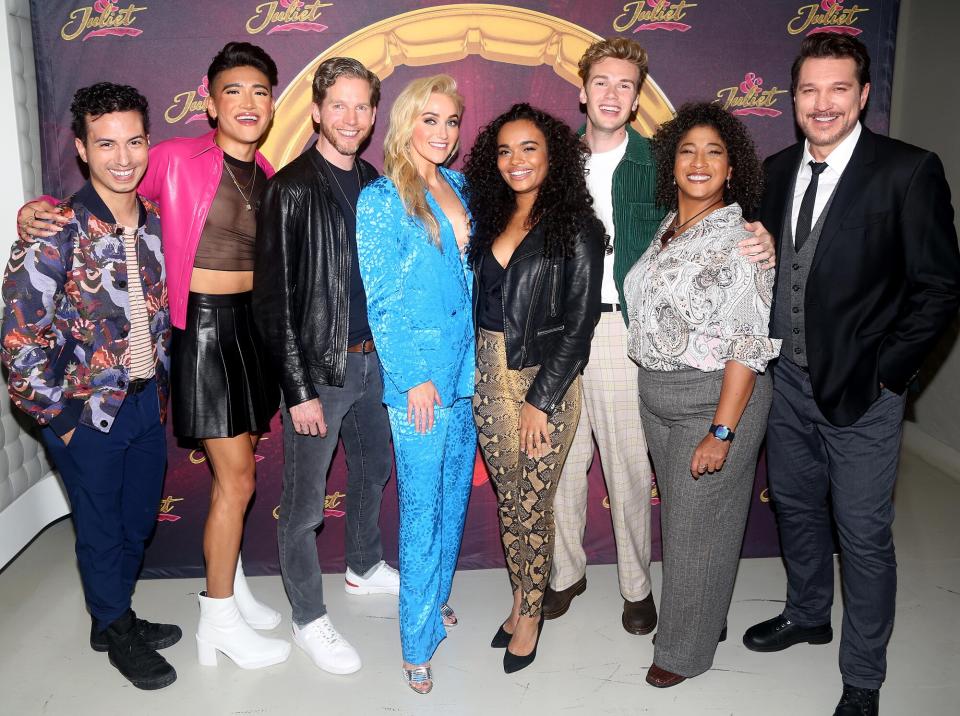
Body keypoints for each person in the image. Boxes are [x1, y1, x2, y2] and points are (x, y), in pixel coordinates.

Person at [16, 42, 290, 669]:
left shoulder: (266, 169)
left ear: (272, 102)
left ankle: (224, 589)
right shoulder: (174, 157)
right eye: (233, 91)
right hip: (197, 339)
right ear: (208, 98)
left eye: (259, 92)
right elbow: (101, 192)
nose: (247, 104)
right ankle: (206, 616)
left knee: (218, 485)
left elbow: (130, 209)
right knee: (231, 481)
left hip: (232, 341)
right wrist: (40, 210)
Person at [742, 33, 960, 716]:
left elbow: (939, 289)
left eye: (839, 88)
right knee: (799, 509)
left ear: (864, 95)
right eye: (809, 89)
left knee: (863, 537)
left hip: (864, 393)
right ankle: (807, 611)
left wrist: (891, 376)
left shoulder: (907, 170)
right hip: (788, 386)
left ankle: (863, 675)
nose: (823, 102)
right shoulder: (774, 170)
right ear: (794, 98)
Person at [546, 37, 777, 633]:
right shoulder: (551, 160)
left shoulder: (660, 161)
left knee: (628, 467)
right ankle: (564, 575)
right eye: (602, 82)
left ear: (638, 96)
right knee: (565, 465)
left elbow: (708, 219)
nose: (612, 94)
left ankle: (635, 588)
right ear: (582, 90)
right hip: (558, 330)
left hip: (624, 330)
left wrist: (763, 237)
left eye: (626, 85)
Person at [2, 83, 179, 689]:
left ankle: (113, 616)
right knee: (102, 530)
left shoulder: (155, 223)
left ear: (148, 142)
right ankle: (115, 630)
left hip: (146, 404)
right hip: (86, 414)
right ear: (82, 148)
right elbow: (20, 342)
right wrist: (62, 420)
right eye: (105, 144)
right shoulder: (52, 231)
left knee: (136, 524)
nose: (122, 157)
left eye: (133, 141)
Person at [624, 101, 780, 688]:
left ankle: (683, 653)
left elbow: (746, 342)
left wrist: (721, 431)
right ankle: (704, 617)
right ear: (671, 163)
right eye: (687, 150)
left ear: (731, 167)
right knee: (696, 527)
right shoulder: (670, 227)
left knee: (695, 533)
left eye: (714, 152)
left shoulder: (742, 239)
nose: (699, 162)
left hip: (714, 399)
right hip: (658, 395)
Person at [252, 57, 399, 676]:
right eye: (338, 105)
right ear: (315, 111)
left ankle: (363, 565)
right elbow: (272, 300)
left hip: (373, 363)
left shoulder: (373, 180)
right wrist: (300, 387)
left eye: (362, 106)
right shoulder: (290, 188)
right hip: (321, 369)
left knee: (374, 469)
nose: (351, 117)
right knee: (307, 503)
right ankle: (309, 618)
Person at [464, 103, 605, 673]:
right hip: (487, 372)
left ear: (553, 156)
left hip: (543, 379)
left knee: (532, 502)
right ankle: (522, 596)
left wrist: (540, 400)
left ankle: (531, 612)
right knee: (509, 498)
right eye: (504, 150)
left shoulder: (577, 228)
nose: (516, 161)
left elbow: (580, 324)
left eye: (529, 149)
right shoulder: (491, 218)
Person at [355, 74, 476, 694]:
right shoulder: (380, 199)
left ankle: (434, 598)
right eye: (430, 120)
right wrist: (411, 378)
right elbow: (383, 302)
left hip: (465, 372)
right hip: (420, 382)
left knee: (454, 495)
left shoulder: (456, 184)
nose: (442, 133)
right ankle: (415, 639)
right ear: (405, 123)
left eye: (452, 121)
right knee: (422, 508)